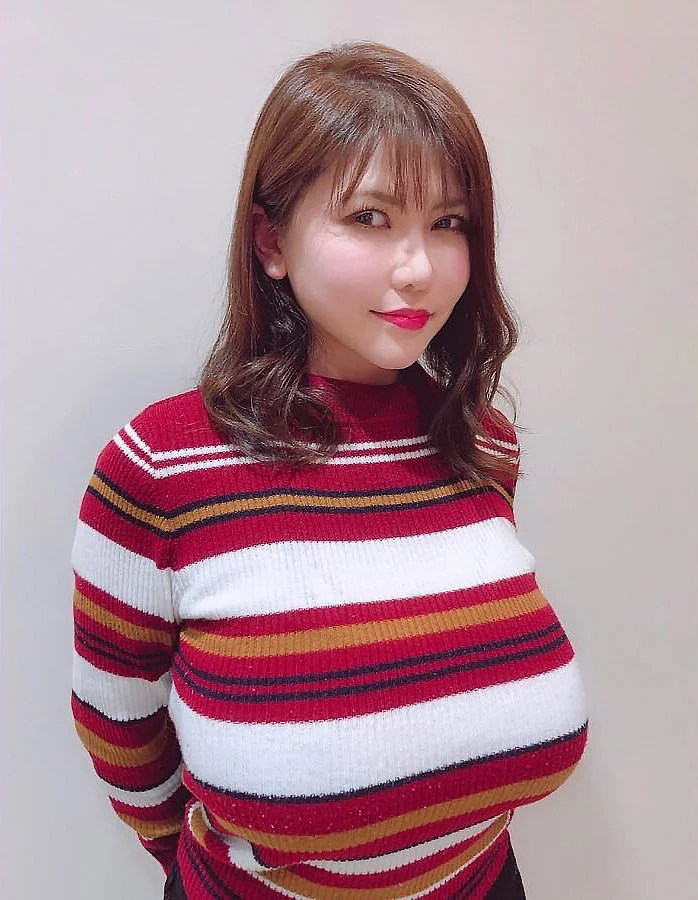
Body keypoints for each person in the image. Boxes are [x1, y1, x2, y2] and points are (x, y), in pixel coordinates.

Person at [70, 40, 589, 899]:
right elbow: (117, 724)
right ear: (271, 240)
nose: (419, 267)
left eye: (449, 223)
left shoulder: (481, 444)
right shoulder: (161, 464)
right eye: (371, 218)